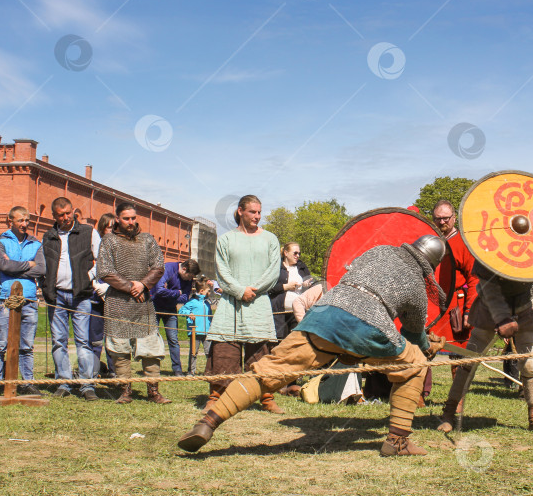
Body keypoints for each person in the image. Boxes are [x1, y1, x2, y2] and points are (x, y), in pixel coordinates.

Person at [178, 235, 447, 456]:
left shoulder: (379, 251)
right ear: (429, 265)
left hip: (323, 314)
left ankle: (208, 422)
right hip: (365, 325)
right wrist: (429, 345)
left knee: (268, 371)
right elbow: (413, 336)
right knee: (414, 363)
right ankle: (398, 442)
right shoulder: (415, 283)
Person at [437, 262, 533, 436]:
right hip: (489, 309)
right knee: (468, 364)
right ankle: (448, 413)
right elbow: (488, 286)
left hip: (525, 308)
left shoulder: (529, 243)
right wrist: (502, 318)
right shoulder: (488, 249)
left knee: (530, 365)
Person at [203, 195, 283, 414]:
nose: (257, 216)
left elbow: (273, 271)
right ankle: (216, 396)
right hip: (231, 302)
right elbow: (222, 270)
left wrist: (253, 290)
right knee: (224, 349)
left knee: (262, 353)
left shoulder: (270, 239)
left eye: (259, 212)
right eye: (252, 212)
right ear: (240, 211)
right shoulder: (226, 239)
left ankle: (266, 398)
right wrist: (239, 290)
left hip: (258, 302)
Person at [96, 202, 169, 404]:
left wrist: (143, 284)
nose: (131, 222)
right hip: (118, 301)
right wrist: (130, 287)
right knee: (119, 349)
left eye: (133, 218)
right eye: (126, 218)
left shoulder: (147, 239)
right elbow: (104, 271)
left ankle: (153, 391)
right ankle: (125, 391)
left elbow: (158, 266)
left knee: (151, 347)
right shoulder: (109, 241)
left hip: (143, 302)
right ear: (118, 218)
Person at [41, 197, 101, 400]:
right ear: (54, 216)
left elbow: (102, 260)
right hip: (56, 295)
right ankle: (63, 383)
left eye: (68, 213)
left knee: (83, 341)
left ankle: (86, 385)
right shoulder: (48, 236)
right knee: (59, 341)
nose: (66, 217)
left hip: (80, 295)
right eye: (61, 214)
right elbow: (43, 265)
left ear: (73, 211)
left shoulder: (88, 232)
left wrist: (89, 277)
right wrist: (45, 286)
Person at [0, 206, 45, 396]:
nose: (24, 224)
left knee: (26, 345)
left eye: (27, 220)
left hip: (29, 299)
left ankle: (27, 383)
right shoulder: (0, 242)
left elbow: (42, 269)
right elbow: (3, 265)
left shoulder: (36, 243)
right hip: (5, 298)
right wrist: (29, 264)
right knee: (0, 344)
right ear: (10, 221)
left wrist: (14, 268)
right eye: (20, 220)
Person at [425, 200, 479, 404]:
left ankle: (457, 401)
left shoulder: (463, 243)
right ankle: (419, 396)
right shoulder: (429, 241)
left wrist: (469, 311)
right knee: (424, 350)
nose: (442, 222)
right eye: (438, 218)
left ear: (454, 218)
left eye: (446, 218)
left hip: (456, 306)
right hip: (431, 305)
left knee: (459, 356)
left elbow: (474, 278)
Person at [153, 259, 201, 376]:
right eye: (190, 276)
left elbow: (184, 298)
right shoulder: (168, 269)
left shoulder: (187, 280)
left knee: (173, 339)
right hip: (154, 307)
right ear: (184, 269)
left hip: (170, 309)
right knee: (153, 338)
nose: (190, 280)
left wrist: (170, 292)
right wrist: (177, 293)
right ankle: (153, 369)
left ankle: (177, 369)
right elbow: (159, 291)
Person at [89, 213, 116, 376]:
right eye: (110, 227)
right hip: (95, 298)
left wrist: (109, 287)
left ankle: (114, 372)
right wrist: (93, 283)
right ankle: (93, 370)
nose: (113, 231)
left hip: (112, 297)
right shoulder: (95, 244)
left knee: (113, 338)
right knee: (95, 338)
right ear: (103, 228)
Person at [268, 242, 312, 341]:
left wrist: (306, 285)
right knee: (279, 342)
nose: (298, 256)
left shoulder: (302, 267)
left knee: (296, 341)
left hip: (297, 313)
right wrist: (285, 287)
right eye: (295, 253)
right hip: (279, 313)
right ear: (286, 253)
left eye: (299, 253)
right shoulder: (275, 267)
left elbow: (311, 283)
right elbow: (267, 287)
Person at [179, 277, 213, 375]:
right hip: (195, 332)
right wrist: (189, 313)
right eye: (208, 291)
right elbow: (181, 311)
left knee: (209, 352)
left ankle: (209, 371)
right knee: (193, 352)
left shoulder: (207, 303)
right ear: (202, 291)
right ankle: (191, 371)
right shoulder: (192, 302)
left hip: (207, 332)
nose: (209, 293)